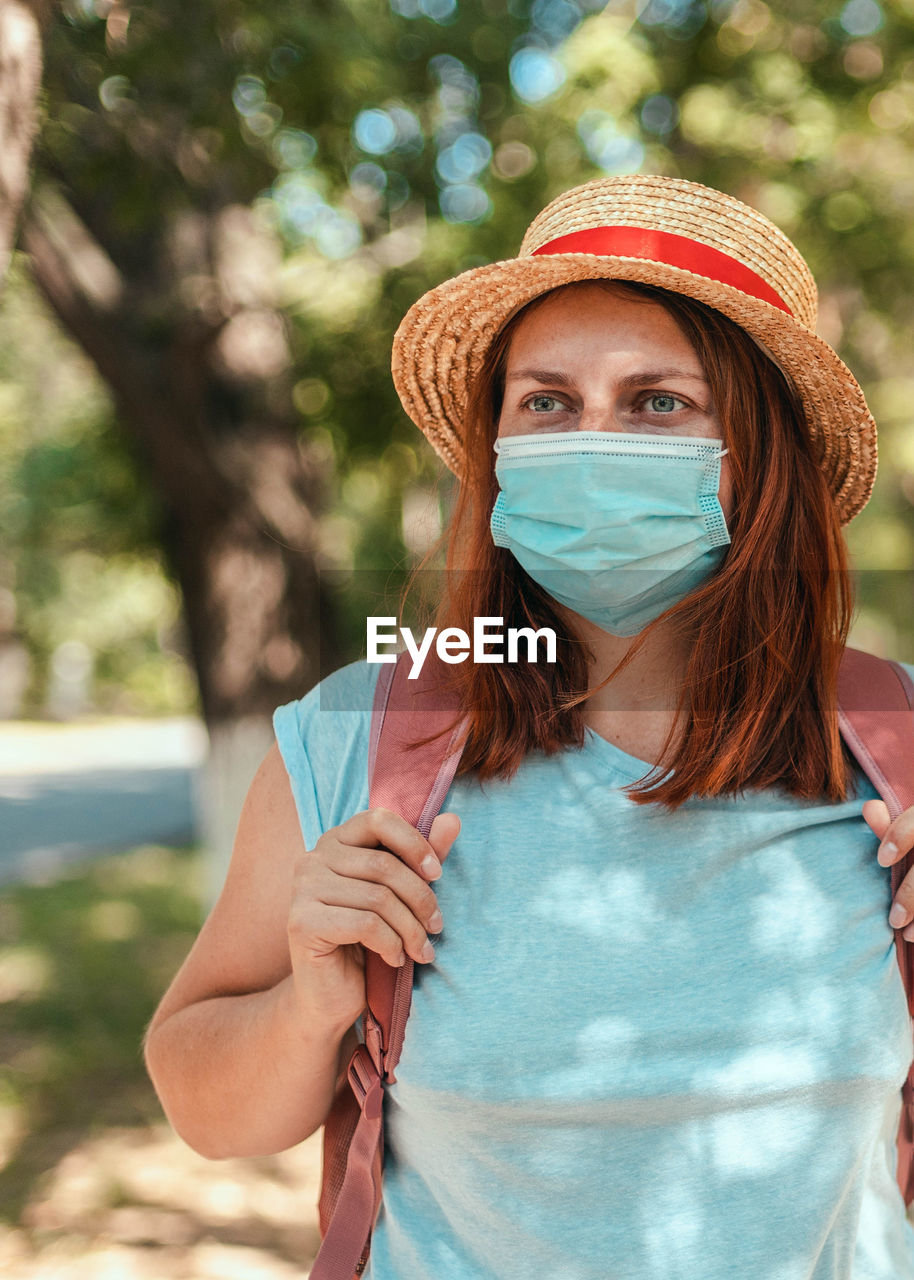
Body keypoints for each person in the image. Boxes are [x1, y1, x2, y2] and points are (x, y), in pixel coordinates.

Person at [144, 175, 914, 1278]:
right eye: (546, 402)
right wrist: (314, 999)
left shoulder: (891, 742)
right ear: (495, 444)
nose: (592, 438)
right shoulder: (358, 738)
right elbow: (206, 1109)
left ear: (761, 458)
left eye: (658, 402)